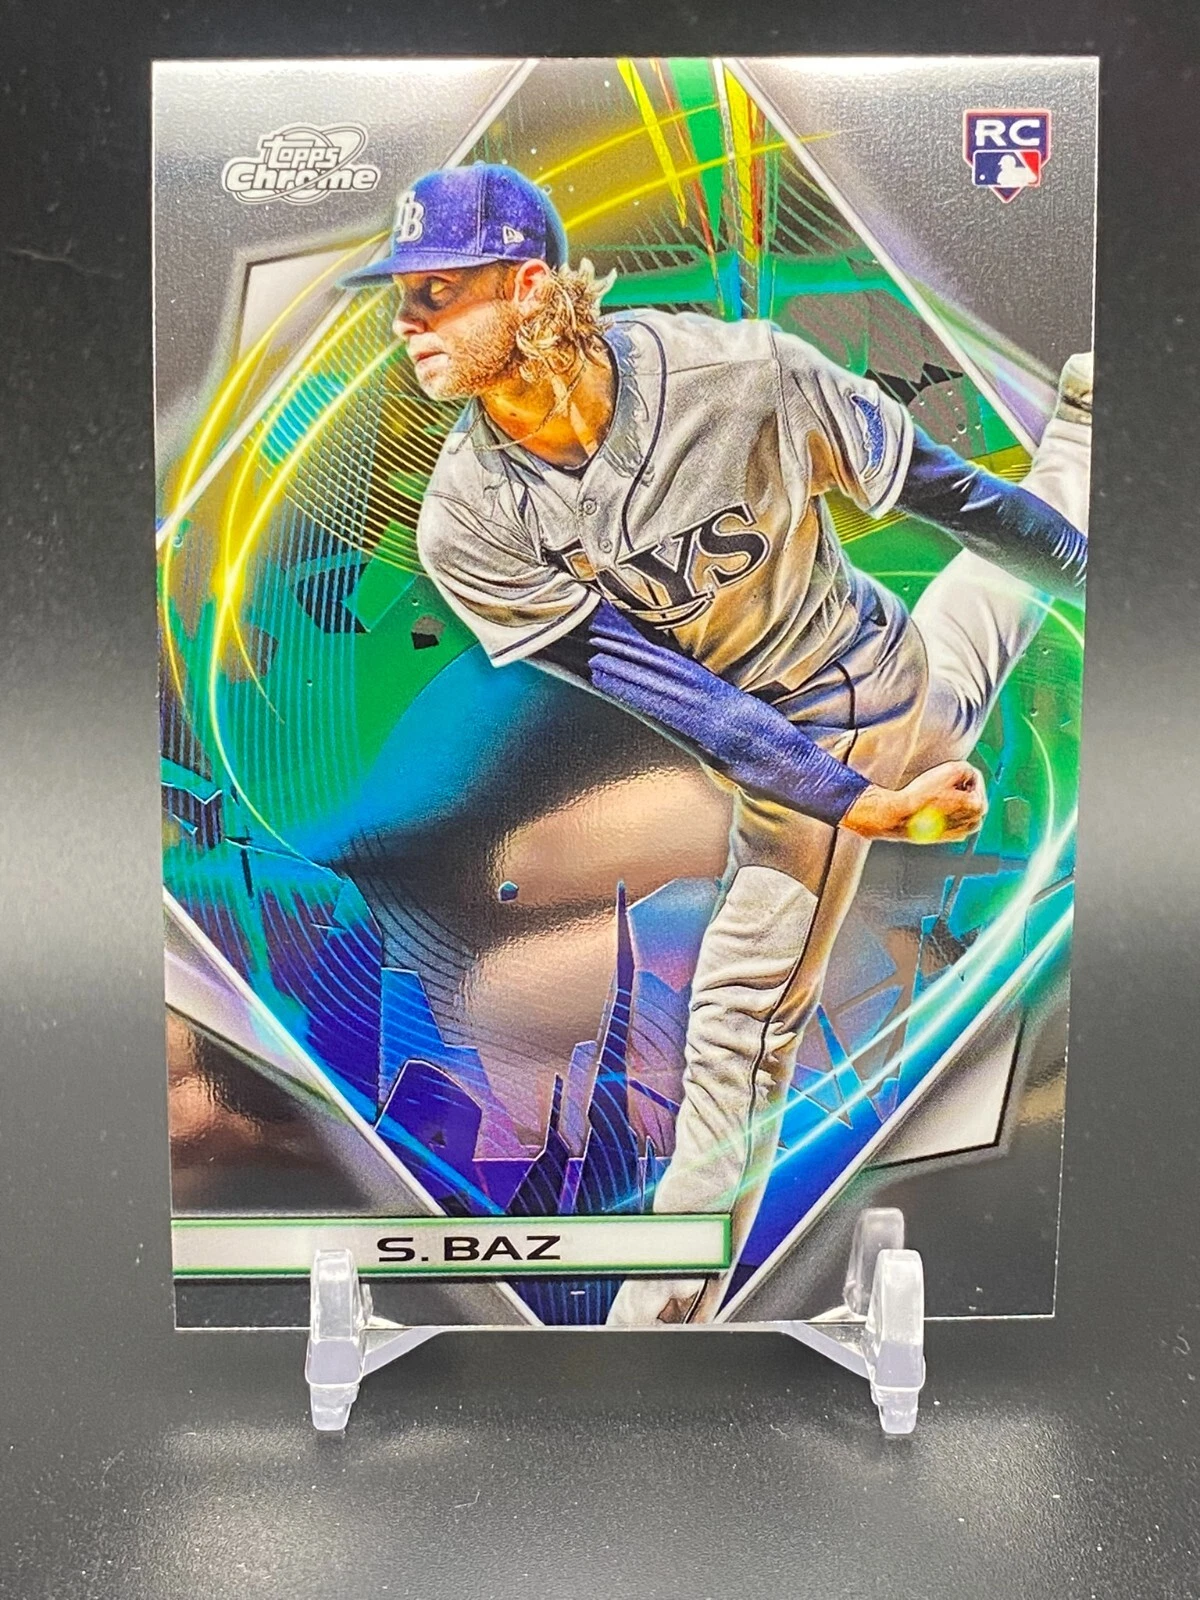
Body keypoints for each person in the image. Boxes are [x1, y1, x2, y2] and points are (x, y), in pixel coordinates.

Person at [344, 162, 1092, 1325]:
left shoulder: (740, 375)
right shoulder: (469, 515)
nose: (409, 319)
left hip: (851, 688)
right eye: (404, 294)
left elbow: (948, 494)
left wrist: (1104, 584)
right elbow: (667, 690)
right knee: (966, 649)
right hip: (782, 731)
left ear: (528, 287)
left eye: (438, 289)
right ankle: (1082, 449)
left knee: (740, 1017)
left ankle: (662, 1313)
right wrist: (847, 797)